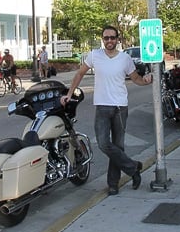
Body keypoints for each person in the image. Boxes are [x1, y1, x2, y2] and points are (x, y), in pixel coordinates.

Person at [61, 25, 152, 196]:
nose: (109, 41)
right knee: (103, 143)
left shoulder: (125, 58)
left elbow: (136, 79)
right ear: (103, 40)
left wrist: (147, 81)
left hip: (120, 107)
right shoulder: (95, 55)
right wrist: (69, 94)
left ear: (118, 39)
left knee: (118, 145)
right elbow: (79, 74)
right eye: (106, 38)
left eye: (112, 37)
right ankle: (133, 167)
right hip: (102, 106)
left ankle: (113, 184)